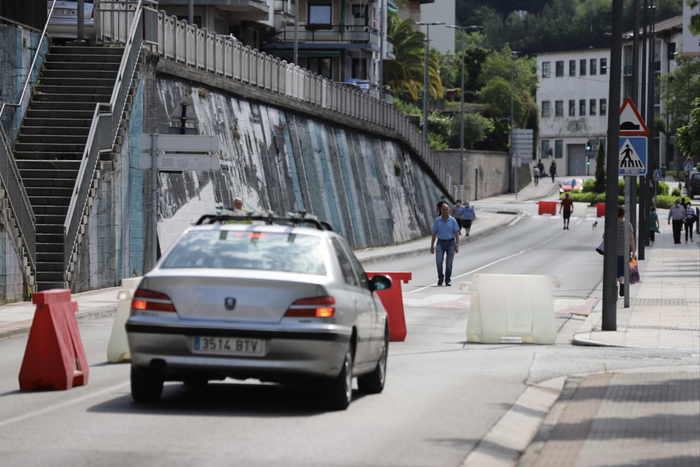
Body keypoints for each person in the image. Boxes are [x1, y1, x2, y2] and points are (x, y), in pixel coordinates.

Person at [430, 203, 460, 286]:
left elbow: (457, 233)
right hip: (440, 243)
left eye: (446, 209)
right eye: (443, 209)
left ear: (449, 210)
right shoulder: (437, 220)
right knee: (439, 261)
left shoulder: (453, 220)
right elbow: (434, 233)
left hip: (450, 243)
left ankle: (448, 279)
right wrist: (432, 246)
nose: (445, 211)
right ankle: (440, 278)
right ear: (441, 210)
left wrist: (457, 245)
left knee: (449, 263)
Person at [609, 205, 635, 297]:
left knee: (612, 270)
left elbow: (605, 236)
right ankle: (622, 282)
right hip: (624, 252)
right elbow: (631, 239)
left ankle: (612, 289)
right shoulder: (628, 224)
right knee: (622, 271)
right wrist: (634, 251)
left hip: (612, 252)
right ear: (624, 214)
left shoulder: (612, 224)